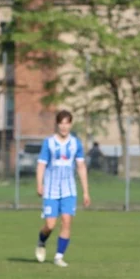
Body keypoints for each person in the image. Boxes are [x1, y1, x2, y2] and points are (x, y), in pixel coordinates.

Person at [35, 110, 91, 268]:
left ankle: (59, 256)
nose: (64, 126)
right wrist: (40, 184)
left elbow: (81, 167)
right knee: (50, 225)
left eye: (67, 123)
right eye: (61, 123)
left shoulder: (76, 143)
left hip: (69, 190)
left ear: (71, 124)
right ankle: (41, 240)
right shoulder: (49, 143)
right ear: (57, 124)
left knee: (66, 221)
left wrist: (86, 191)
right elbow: (41, 165)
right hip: (51, 189)